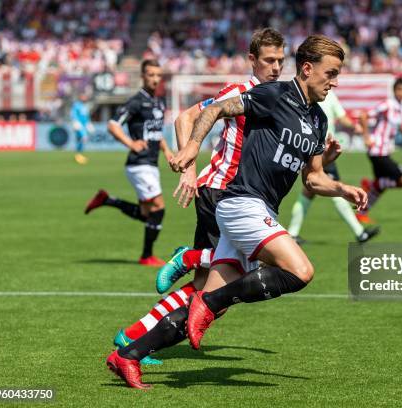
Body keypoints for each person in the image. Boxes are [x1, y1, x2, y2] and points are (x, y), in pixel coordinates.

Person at [106, 35, 367, 389]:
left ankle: (129, 354)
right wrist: (192, 151)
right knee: (300, 271)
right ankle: (201, 282)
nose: (334, 82)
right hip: (240, 202)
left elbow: (314, 179)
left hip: (259, 209)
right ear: (307, 68)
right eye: (330, 73)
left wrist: (344, 188)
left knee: (206, 302)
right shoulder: (273, 94)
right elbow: (212, 110)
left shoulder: (319, 120)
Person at [111, 28, 287, 366]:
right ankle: (190, 257)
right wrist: (189, 168)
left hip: (243, 197)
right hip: (222, 193)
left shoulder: (276, 97)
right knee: (256, 268)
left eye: (280, 60)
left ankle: (133, 336)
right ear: (252, 60)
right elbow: (185, 117)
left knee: (205, 290)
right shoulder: (240, 92)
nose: (276, 67)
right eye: (269, 60)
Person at [84, 59, 173, 266]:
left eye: (158, 75)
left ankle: (107, 200)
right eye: (150, 75)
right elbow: (113, 125)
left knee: (146, 215)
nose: (154, 79)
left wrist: (167, 150)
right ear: (143, 76)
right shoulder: (136, 101)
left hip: (151, 163)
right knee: (158, 208)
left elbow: (155, 133)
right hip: (139, 163)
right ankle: (146, 256)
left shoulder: (159, 102)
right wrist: (131, 143)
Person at [287, 90, 379, 244]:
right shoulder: (306, 94)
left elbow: (341, 117)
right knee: (336, 190)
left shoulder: (328, 95)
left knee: (308, 193)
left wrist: (354, 127)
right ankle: (360, 233)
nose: (332, 82)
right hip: (318, 150)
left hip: (323, 150)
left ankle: (292, 234)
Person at [356, 77, 402, 223]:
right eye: (399, 90)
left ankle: (361, 213)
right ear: (394, 91)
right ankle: (371, 184)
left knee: (381, 187)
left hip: (385, 151)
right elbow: (363, 115)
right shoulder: (387, 104)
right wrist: (366, 137)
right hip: (377, 150)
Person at [70, 92, 94, 164]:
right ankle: (78, 155)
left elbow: (86, 116)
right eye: (83, 97)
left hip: (84, 125)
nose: (85, 98)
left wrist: (88, 123)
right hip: (79, 125)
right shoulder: (77, 105)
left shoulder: (85, 106)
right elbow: (73, 114)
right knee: (84, 137)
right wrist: (75, 122)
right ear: (80, 97)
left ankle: (78, 155)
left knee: (80, 140)